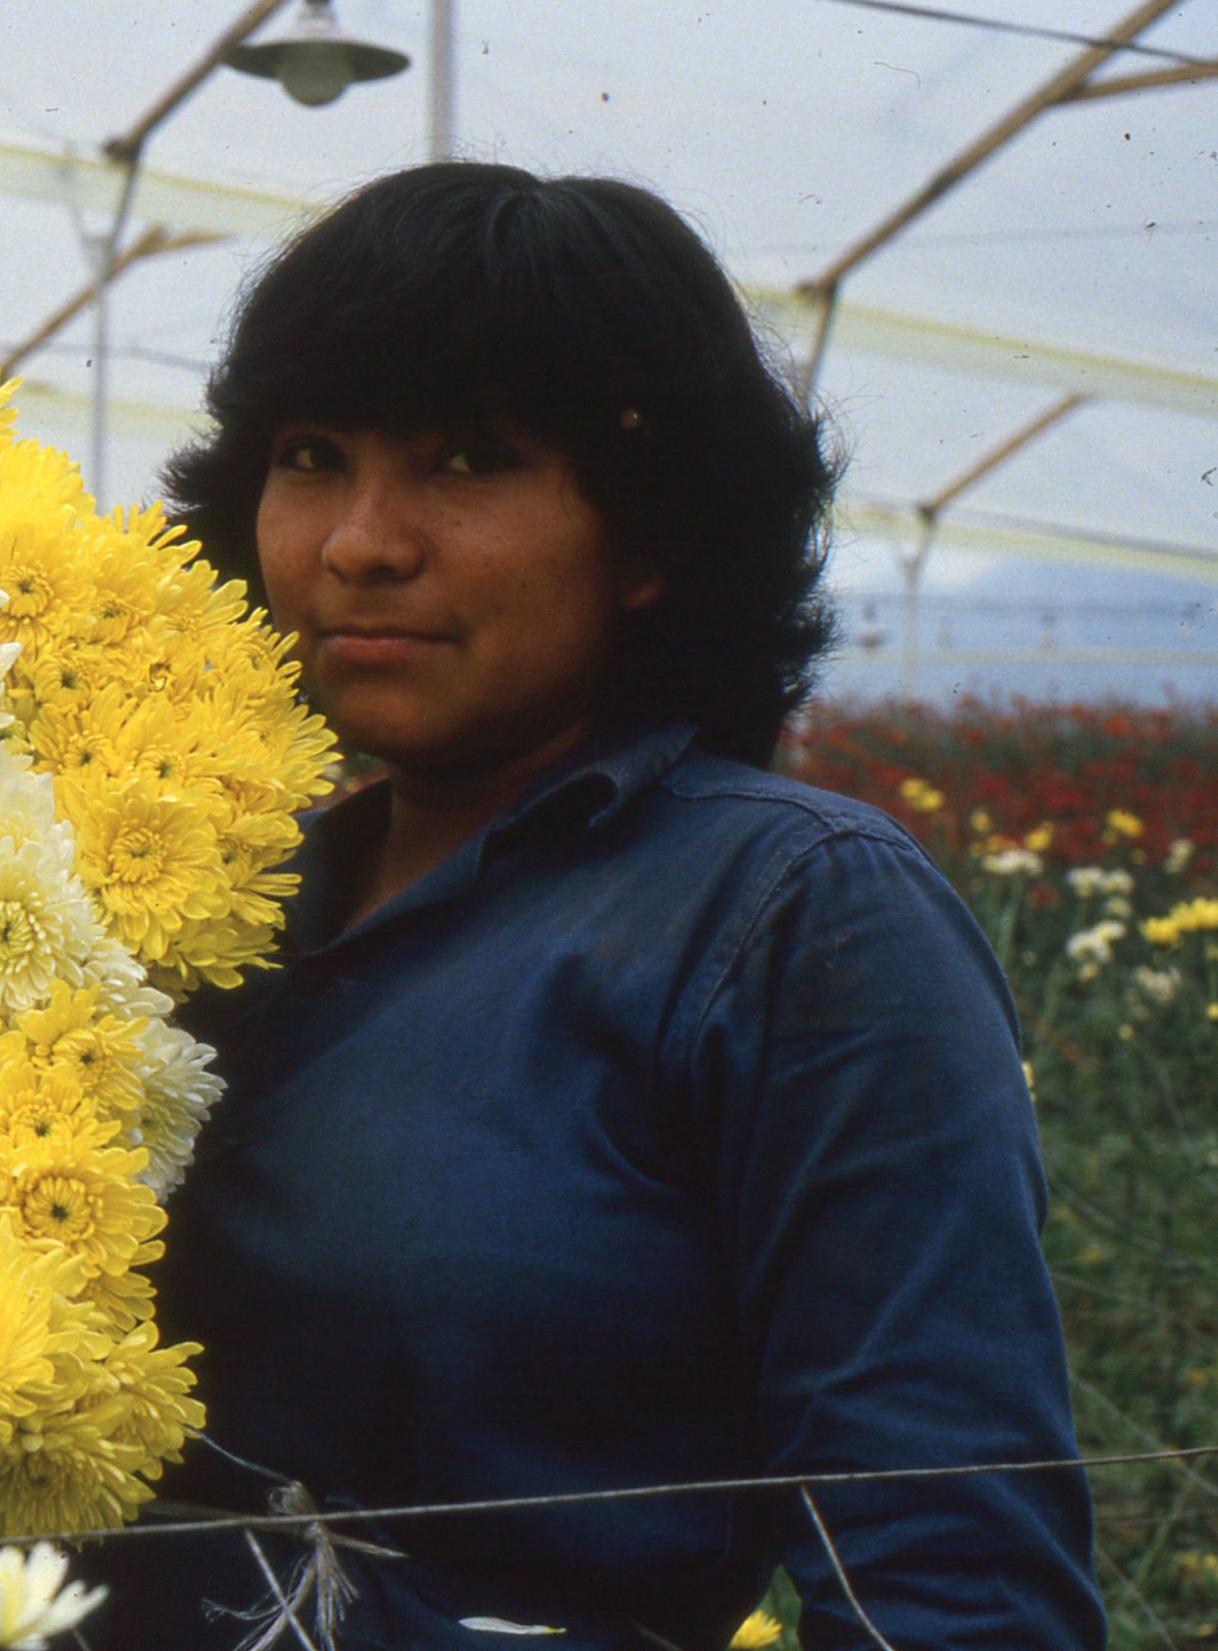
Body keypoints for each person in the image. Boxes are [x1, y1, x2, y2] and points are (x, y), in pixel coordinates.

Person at [75, 164, 1103, 1650]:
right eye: (312, 455)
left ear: (655, 536)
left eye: (470, 459)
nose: (362, 539)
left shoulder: (797, 917)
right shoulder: (192, 898)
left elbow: (952, 1581)